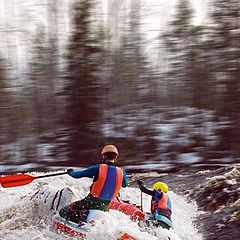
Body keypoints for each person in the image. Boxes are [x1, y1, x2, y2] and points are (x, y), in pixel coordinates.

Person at [59, 144, 128, 224]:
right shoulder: (122, 172)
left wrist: (70, 172)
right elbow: (124, 185)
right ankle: (84, 216)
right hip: (105, 206)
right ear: (115, 157)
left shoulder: (98, 168)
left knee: (63, 211)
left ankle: (83, 215)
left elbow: (77, 175)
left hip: (90, 202)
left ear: (104, 156)